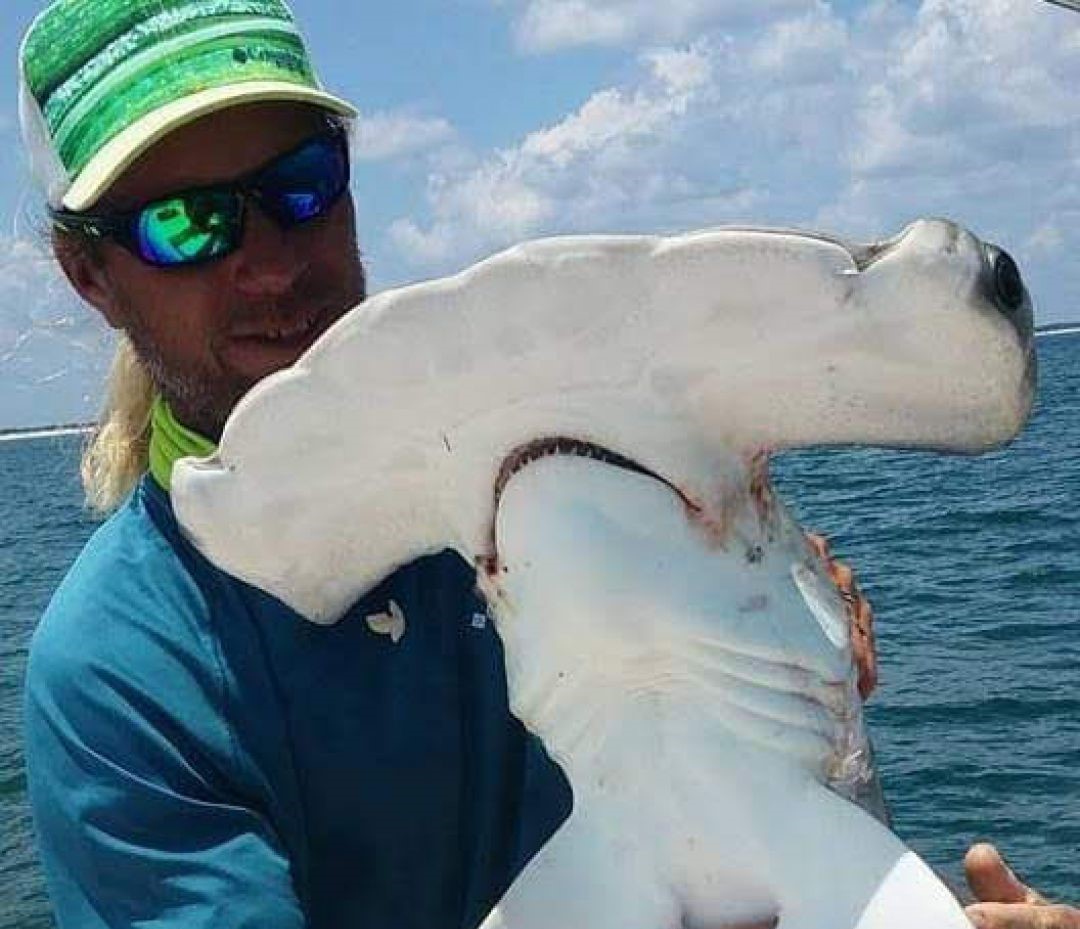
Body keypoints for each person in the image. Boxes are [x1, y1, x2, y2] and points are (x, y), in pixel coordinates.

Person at [17, 2, 1073, 928]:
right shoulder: (128, 672)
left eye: (300, 184)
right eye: (183, 223)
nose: (270, 260)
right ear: (86, 273)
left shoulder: (526, 455)